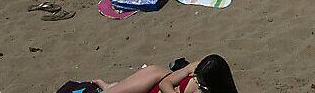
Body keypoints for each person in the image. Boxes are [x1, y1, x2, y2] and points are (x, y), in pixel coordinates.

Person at [89, 54, 237, 93]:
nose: (197, 85)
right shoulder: (197, 67)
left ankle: (114, 87)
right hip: (157, 79)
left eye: (202, 86)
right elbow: (165, 82)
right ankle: (112, 88)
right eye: (196, 80)